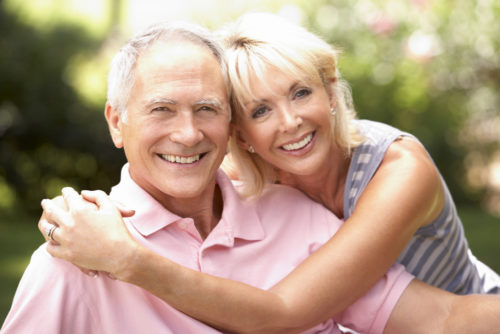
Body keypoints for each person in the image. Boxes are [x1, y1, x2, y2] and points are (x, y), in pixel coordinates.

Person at [13, 15, 500, 334]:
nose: (187, 134)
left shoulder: (317, 208)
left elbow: (443, 317)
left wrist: (129, 259)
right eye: (162, 109)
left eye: (206, 109)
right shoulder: (75, 254)